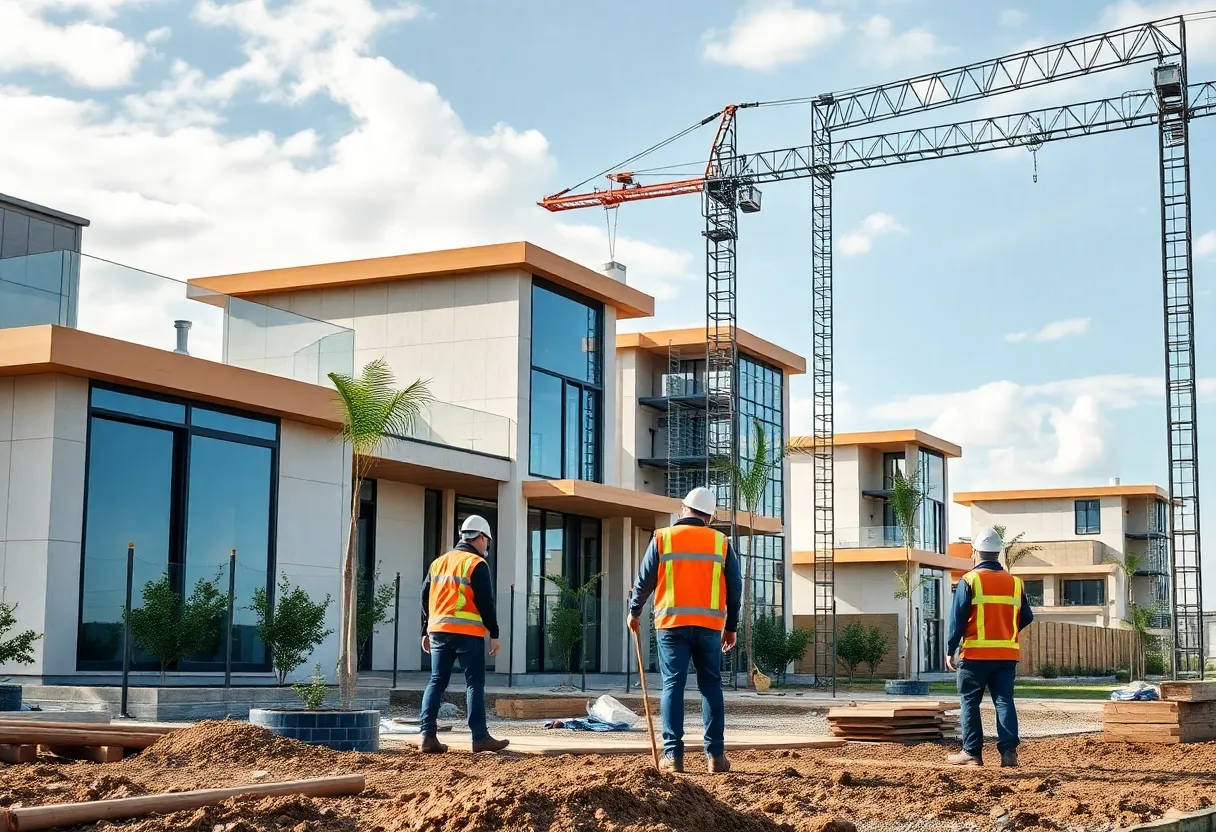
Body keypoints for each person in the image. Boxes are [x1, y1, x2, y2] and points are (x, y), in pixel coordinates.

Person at [627, 486, 742, 774]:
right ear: (710, 517)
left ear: (683, 509)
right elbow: (735, 590)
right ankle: (715, 757)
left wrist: (634, 611)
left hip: (671, 626)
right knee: (711, 686)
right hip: (708, 628)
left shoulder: (663, 538)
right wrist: (731, 627)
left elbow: (644, 581)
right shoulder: (721, 543)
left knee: (673, 685)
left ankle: (673, 757)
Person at [418, 515, 509, 754]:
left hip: (438, 631)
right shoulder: (476, 563)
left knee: (436, 681)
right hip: (467, 633)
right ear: (481, 537)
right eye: (487, 541)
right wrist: (494, 633)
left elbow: (424, 597)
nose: (487, 545)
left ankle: (427, 736)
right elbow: (485, 602)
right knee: (474, 683)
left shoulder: (438, 563)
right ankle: (480, 737)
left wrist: (425, 629)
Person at [945, 527, 1035, 768]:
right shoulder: (1015, 583)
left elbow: (957, 620)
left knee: (970, 702)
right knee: (1004, 701)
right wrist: (1005, 630)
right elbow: (1027, 616)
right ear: (999, 553)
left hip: (975, 655)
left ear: (975, 552)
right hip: (1006, 655)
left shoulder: (969, 580)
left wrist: (950, 649)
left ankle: (972, 753)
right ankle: (1009, 753)